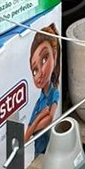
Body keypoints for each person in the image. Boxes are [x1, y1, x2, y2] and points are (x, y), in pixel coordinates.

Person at [25, 23, 61, 155]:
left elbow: (49, 119)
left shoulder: (54, 92)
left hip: (51, 149)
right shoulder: (38, 102)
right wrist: (41, 115)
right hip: (38, 153)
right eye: (34, 70)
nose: (39, 73)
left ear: (55, 56)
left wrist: (32, 126)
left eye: (45, 58)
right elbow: (25, 137)